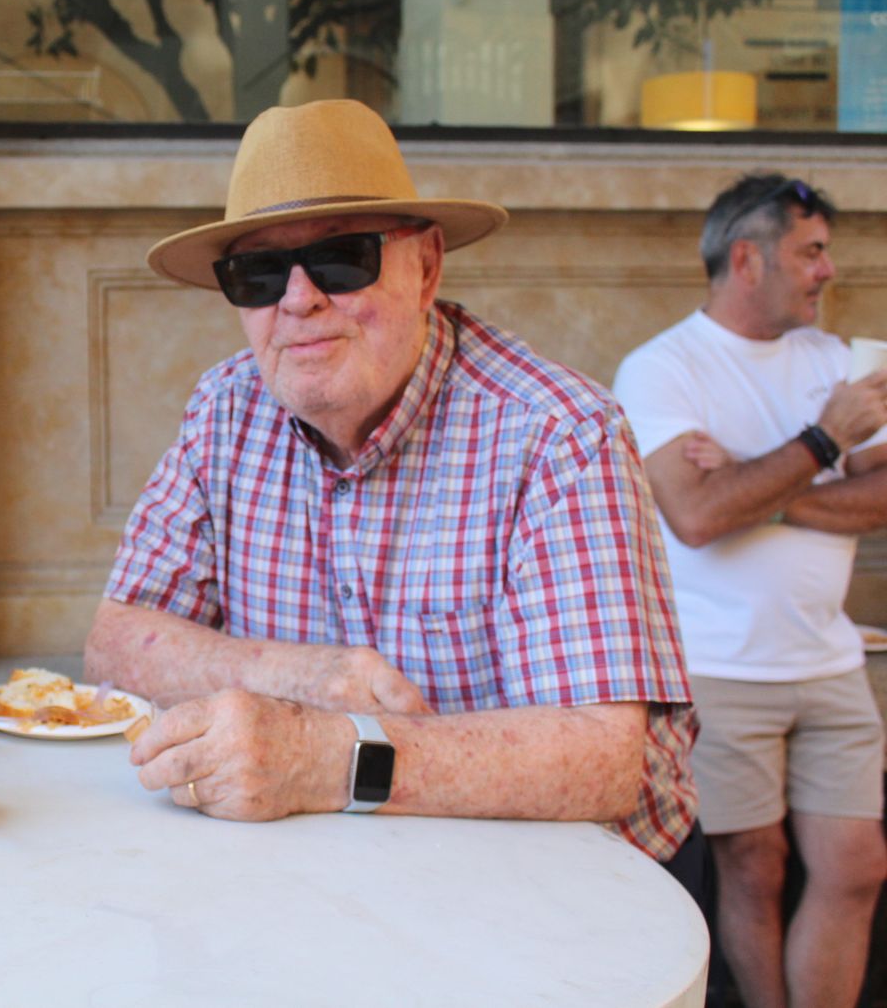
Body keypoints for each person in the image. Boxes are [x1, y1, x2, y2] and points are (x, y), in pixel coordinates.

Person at [84, 99, 698, 879]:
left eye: (343, 259)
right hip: (347, 876)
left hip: (578, 889)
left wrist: (327, 753)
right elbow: (113, 645)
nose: (298, 299)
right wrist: (306, 677)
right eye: (259, 273)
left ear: (427, 266)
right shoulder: (226, 408)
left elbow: (603, 759)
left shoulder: (557, 436)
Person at [613, 173, 887, 1008]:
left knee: (856, 864)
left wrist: (755, 481)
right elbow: (696, 515)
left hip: (830, 660)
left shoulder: (844, 361)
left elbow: (881, 497)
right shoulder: (662, 368)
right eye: (810, 251)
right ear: (747, 258)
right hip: (719, 665)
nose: (828, 271)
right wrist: (821, 440)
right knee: (753, 865)